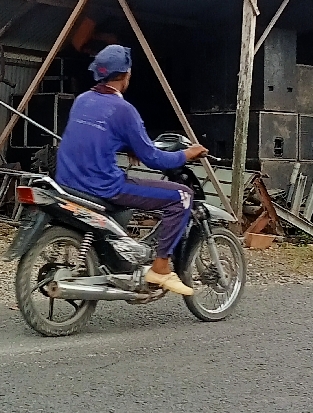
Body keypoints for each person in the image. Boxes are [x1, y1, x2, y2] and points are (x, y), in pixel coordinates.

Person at [55, 44, 208, 297]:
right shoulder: (124, 110)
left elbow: (96, 135)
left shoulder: (82, 100)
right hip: (103, 186)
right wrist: (187, 154)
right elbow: (154, 159)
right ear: (126, 75)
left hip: (68, 180)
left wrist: (127, 145)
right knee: (182, 196)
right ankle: (160, 268)